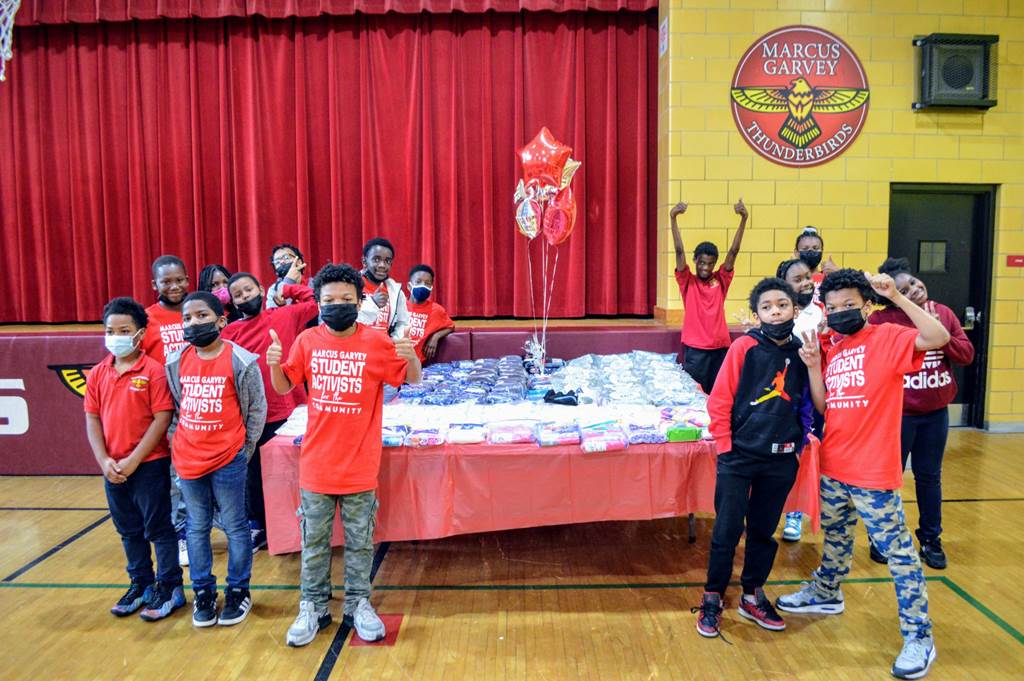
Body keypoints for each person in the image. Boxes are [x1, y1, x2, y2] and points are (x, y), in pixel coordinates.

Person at [776, 269, 950, 680]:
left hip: (873, 471)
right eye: (832, 307)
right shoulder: (833, 347)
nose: (839, 314)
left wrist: (898, 298)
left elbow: (938, 336)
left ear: (868, 305)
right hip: (835, 464)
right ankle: (827, 591)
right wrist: (817, 366)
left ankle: (919, 635)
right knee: (836, 539)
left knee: (899, 554)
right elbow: (823, 407)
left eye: (848, 306)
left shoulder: (888, 337)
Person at [267, 263, 421, 647]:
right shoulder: (307, 341)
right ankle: (312, 606)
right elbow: (286, 383)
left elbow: (411, 378)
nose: (337, 305)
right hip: (316, 465)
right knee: (314, 542)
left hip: (360, 465)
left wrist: (412, 355)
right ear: (318, 302)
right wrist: (273, 364)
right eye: (329, 299)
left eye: (346, 299)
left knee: (360, 542)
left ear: (359, 301)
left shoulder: (376, 341)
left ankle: (359, 604)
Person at [693, 278, 815, 639]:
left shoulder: (803, 351)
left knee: (764, 531)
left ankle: (752, 594)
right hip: (739, 457)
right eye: (767, 306)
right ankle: (713, 595)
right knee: (727, 529)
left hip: (781, 459)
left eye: (782, 304)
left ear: (795, 308)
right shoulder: (744, 347)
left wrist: (798, 445)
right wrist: (727, 447)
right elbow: (719, 401)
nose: (775, 311)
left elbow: (808, 403)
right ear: (756, 313)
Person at [165, 291, 267, 628]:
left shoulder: (242, 361)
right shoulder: (176, 361)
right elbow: (178, 409)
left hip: (229, 458)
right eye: (188, 318)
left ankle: (238, 589)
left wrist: (243, 450)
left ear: (221, 320)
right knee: (196, 527)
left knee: (236, 527)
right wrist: (178, 445)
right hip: (189, 459)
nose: (194, 323)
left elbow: (255, 410)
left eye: (202, 316)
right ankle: (204, 592)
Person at [867, 257, 974, 569]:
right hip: (897, 415)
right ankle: (881, 537)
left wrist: (939, 332)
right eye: (903, 288)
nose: (914, 289)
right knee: (888, 479)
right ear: (890, 294)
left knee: (929, 477)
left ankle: (930, 539)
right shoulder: (881, 321)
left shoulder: (942, 313)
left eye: (913, 283)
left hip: (935, 414)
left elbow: (966, 355)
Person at [84, 297, 184, 622]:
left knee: (158, 528)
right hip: (113, 470)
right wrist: (104, 461)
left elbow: (161, 419)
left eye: (124, 330)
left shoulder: (153, 371)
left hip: (149, 465)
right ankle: (140, 583)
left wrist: (133, 460)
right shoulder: (98, 373)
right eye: (111, 330)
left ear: (140, 334)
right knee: (128, 530)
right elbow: (93, 419)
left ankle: (169, 587)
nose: (116, 336)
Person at [222, 272, 319, 552]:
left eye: (249, 290)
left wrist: (286, 287)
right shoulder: (230, 332)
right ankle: (259, 526)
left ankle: (300, 526)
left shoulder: (285, 315)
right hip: (254, 415)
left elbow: (314, 302)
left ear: (261, 289)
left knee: (297, 472)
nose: (244, 297)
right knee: (254, 475)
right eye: (238, 295)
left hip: (293, 411)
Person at [138, 254, 191, 566]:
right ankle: (177, 534)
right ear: (154, 284)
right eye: (166, 281)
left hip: (197, 406)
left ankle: (192, 530)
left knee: (190, 477)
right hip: (164, 410)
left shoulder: (197, 309)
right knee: (172, 479)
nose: (174, 286)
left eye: (179, 279)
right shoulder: (147, 320)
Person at [670, 199, 748, 394]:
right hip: (696, 350)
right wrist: (673, 218)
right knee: (695, 394)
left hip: (720, 348)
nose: (705, 267)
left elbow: (734, 252)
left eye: (710, 264)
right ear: (695, 261)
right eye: (702, 263)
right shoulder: (687, 281)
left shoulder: (721, 280)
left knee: (719, 393)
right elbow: (679, 251)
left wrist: (744, 219)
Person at [775, 258, 824, 543]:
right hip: (784, 393)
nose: (806, 282)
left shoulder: (823, 314)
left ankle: (795, 513)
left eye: (808, 277)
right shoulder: (779, 315)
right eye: (798, 279)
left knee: (803, 453)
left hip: (812, 394)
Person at [358, 237, 410, 339]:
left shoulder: (396, 291)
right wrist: (373, 303)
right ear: (364, 261)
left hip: (383, 350)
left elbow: (403, 323)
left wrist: (393, 343)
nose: (382, 265)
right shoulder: (350, 285)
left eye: (387, 261)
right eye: (376, 260)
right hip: (357, 349)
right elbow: (345, 321)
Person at [405, 264, 455, 364]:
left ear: (431, 287)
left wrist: (435, 337)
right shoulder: (397, 307)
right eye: (418, 282)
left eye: (427, 283)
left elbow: (450, 326)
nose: (423, 285)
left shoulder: (436, 310)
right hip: (392, 363)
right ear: (409, 286)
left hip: (416, 367)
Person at [793, 226, 838, 297]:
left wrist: (839, 274)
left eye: (815, 248)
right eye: (805, 248)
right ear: (796, 252)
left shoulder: (830, 278)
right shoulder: (790, 279)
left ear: (822, 251)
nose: (810, 251)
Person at [266, 243, 307, 309]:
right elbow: (273, 316)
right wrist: (288, 282)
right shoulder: (273, 290)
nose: (282, 262)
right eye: (277, 262)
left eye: (286, 257)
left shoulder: (314, 284)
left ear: (299, 262)